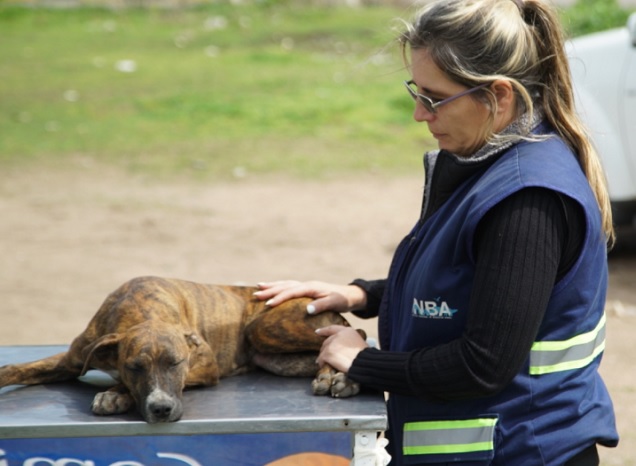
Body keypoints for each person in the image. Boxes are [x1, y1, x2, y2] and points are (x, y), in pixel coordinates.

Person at [254, 0, 619, 464]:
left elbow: (482, 364)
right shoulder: (489, 158)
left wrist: (361, 361)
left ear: (499, 95)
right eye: (416, 91)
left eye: (434, 97)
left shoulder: (528, 198)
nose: (419, 114)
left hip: (516, 453)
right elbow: (470, 286)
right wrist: (361, 296)